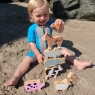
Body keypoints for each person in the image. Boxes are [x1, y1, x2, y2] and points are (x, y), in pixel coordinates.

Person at [4, 0, 92, 86]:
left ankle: (78, 63)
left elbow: (60, 31)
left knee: (65, 50)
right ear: (32, 15)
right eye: (38, 15)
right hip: (37, 51)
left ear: (48, 13)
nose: (42, 18)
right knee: (26, 61)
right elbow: (31, 43)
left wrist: (60, 25)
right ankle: (16, 77)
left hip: (51, 49)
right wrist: (38, 54)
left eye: (45, 14)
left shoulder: (50, 23)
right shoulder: (32, 28)